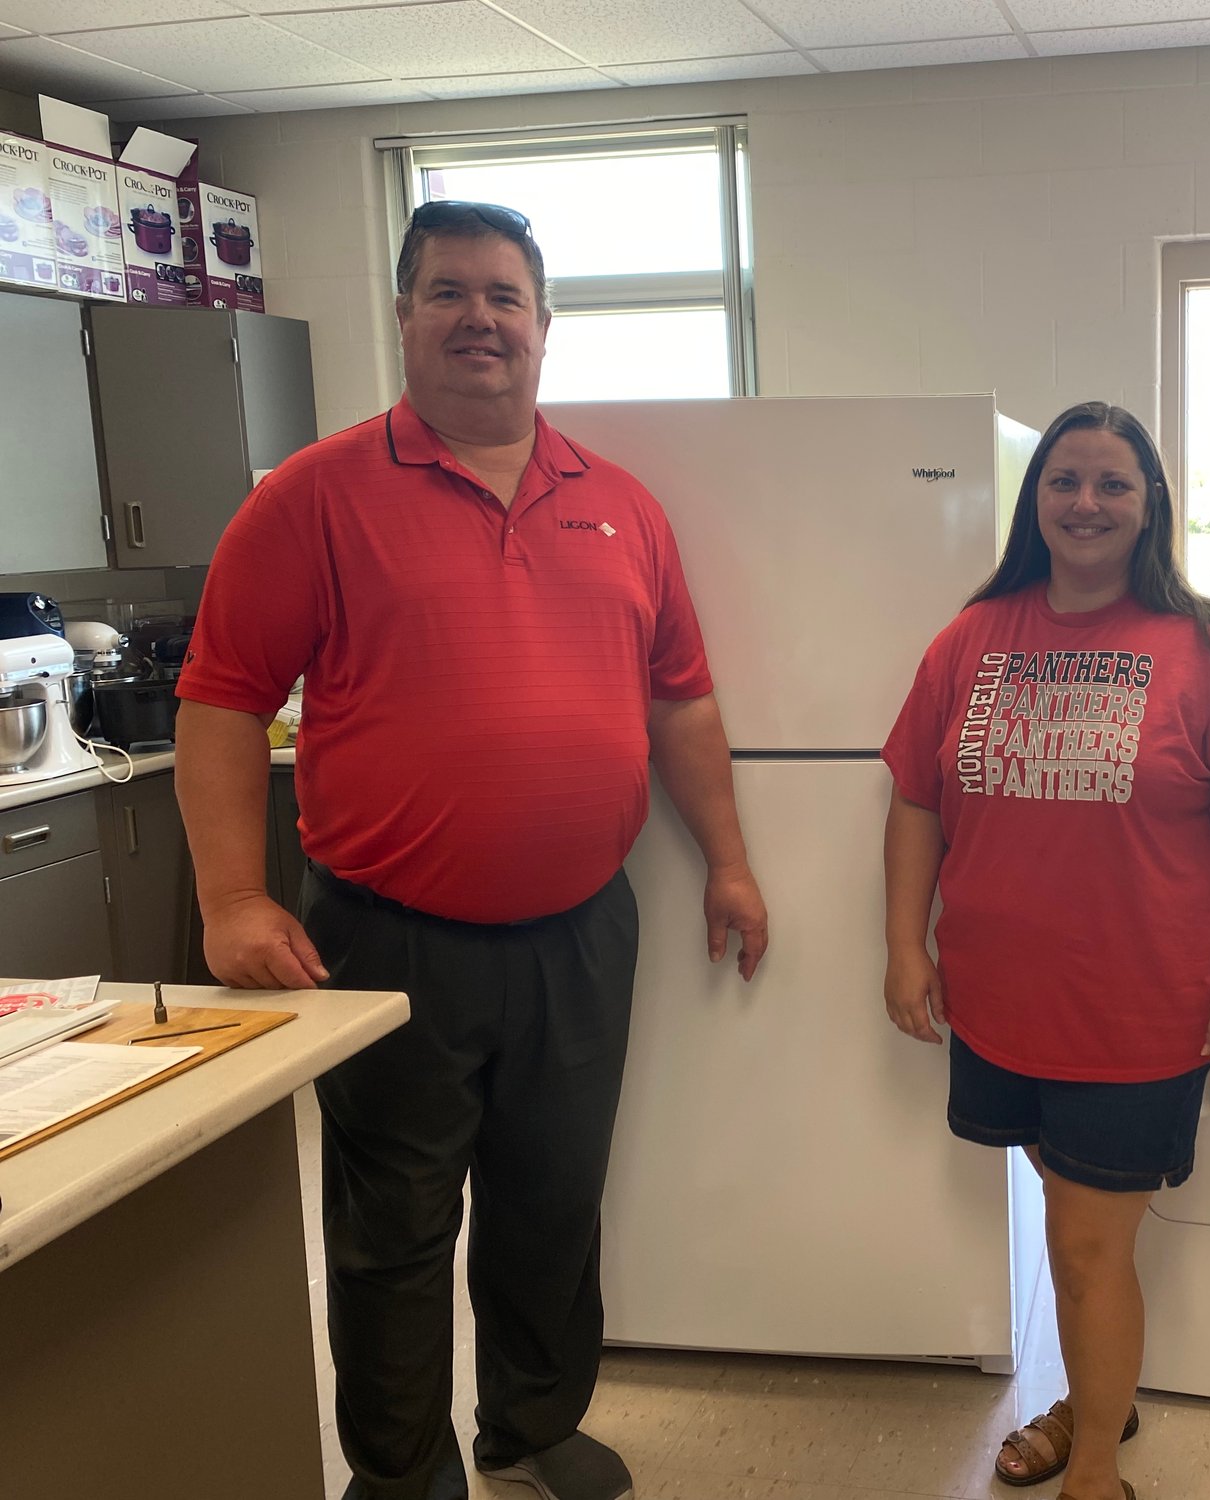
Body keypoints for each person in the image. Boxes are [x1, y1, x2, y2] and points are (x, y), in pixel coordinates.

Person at [175, 200, 769, 1500]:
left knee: (553, 1200)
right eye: (448, 292)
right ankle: (398, 1469)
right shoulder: (313, 498)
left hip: (580, 928)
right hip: (389, 934)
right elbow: (220, 700)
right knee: (394, 1223)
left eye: (505, 296)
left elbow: (683, 703)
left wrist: (725, 858)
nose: (480, 318)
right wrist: (229, 893)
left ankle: (531, 1424)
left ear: (545, 327)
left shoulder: (620, 506)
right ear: (404, 316)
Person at [881, 401, 1210, 1500]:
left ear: (1148, 506)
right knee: (1070, 1222)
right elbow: (914, 803)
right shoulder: (971, 639)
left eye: (1111, 483)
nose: (1085, 502)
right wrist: (903, 944)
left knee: (1085, 1249)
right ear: (1034, 501)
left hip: (1136, 1014)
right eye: (1064, 480)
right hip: (995, 1001)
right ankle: (1099, 1396)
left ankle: (1092, 1470)